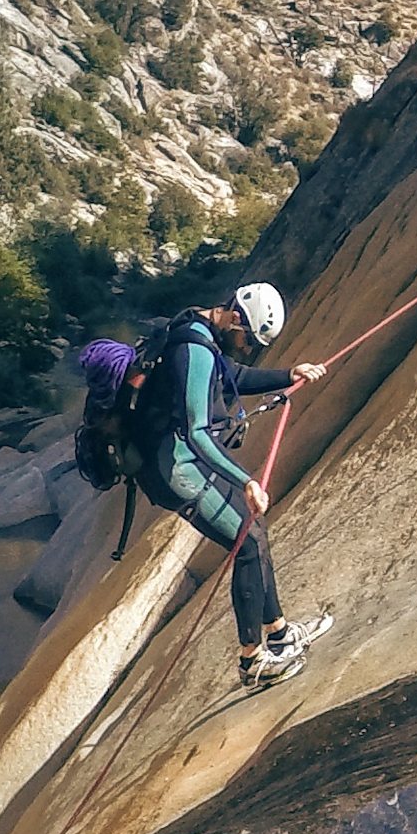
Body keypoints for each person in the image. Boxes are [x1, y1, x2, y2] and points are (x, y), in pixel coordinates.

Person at [137, 279, 329, 687]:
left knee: (254, 530)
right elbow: (197, 433)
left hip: (182, 459)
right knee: (248, 541)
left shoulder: (201, 331)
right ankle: (251, 660)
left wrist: (287, 374)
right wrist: (246, 481)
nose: (246, 347)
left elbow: (232, 376)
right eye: (247, 338)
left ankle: (277, 634)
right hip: (175, 468)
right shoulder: (193, 349)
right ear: (235, 318)